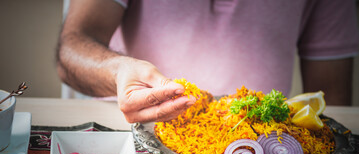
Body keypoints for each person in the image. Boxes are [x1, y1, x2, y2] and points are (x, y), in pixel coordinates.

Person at [56, 0, 359, 123]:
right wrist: (119, 70)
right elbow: (72, 48)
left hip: (262, 151)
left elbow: (330, 102)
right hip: (136, 133)